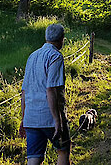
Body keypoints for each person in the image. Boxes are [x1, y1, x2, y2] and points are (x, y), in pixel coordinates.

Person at [19, 23, 70, 165]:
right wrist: (57, 120)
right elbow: (51, 89)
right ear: (61, 39)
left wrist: (23, 119)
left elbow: (24, 91)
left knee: (34, 158)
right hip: (49, 117)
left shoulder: (32, 56)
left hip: (31, 117)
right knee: (63, 150)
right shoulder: (56, 56)